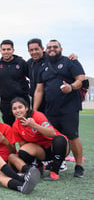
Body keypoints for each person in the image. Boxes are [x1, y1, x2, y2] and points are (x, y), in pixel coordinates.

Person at [33, 39, 85, 178]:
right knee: (51, 137)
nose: (52, 49)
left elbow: (81, 79)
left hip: (69, 107)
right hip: (50, 109)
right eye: (49, 47)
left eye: (55, 47)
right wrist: (35, 110)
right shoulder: (43, 66)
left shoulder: (70, 61)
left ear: (61, 49)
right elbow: (39, 90)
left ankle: (79, 166)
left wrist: (71, 87)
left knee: (73, 136)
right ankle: (56, 163)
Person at [9, 97, 70, 181]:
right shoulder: (16, 125)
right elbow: (23, 145)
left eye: (20, 107)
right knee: (23, 151)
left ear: (26, 108)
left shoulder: (37, 115)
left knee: (59, 140)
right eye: (14, 109)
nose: (17, 110)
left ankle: (55, 172)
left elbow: (52, 133)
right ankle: (38, 166)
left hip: (58, 146)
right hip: (41, 151)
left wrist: (34, 125)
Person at [26, 38, 78, 113]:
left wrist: (74, 57)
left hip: (50, 101)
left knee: (50, 124)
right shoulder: (29, 63)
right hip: (36, 100)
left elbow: (63, 62)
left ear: (43, 49)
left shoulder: (51, 59)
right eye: (31, 50)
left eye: (36, 49)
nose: (34, 52)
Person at [0, 40, 29, 126]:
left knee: (25, 124)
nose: (6, 52)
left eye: (8, 49)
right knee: (9, 126)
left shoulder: (21, 62)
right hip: (6, 100)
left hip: (22, 98)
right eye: (4, 49)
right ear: (0, 51)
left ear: (13, 50)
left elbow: (31, 76)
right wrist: (0, 91)